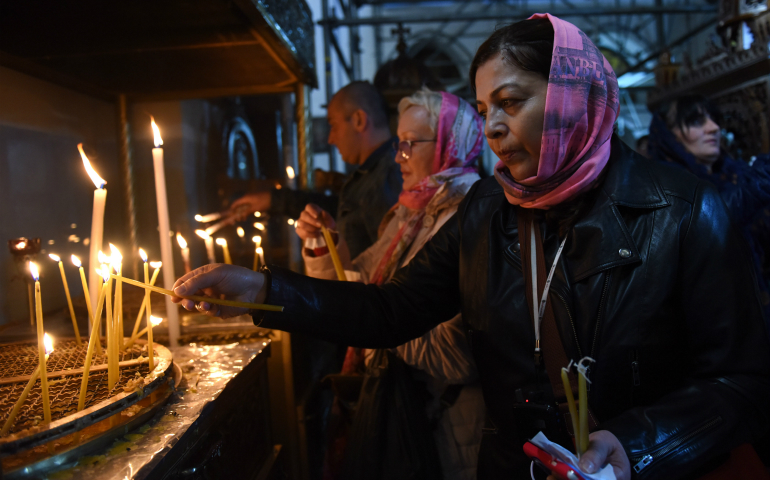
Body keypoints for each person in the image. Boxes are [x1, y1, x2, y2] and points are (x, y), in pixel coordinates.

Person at [173, 15, 770, 480]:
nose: (491, 128)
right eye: (484, 110)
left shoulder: (687, 209)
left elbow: (740, 381)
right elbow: (392, 311)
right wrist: (264, 289)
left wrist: (635, 443)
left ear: (572, 94)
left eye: (511, 103)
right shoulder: (488, 207)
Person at [295, 87, 485, 480]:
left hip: (447, 428)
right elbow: (359, 288)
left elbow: (459, 355)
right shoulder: (408, 211)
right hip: (401, 409)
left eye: (409, 145)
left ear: (450, 142)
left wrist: (379, 323)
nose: (398, 158)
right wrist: (323, 246)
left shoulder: (472, 216)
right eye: (398, 144)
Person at [230, 81, 402, 258]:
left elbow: (389, 261)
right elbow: (341, 212)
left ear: (359, 120)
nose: (330, 139)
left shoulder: (389, 176)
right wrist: (272, 199)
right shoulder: (372, 175)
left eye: (333, 125)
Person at [647, 94, 770, 334]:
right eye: (696, 122)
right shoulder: (661, 186)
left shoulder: (734, 174)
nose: (714, 128)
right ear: (669, 135)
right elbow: (709, 218)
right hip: (710, 330)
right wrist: (761, 183)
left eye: (714, 119)